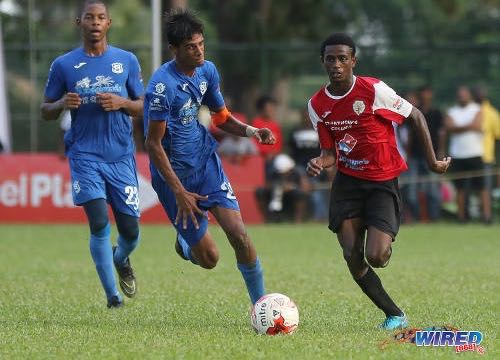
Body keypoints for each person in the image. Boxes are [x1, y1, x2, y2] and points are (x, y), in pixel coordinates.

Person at [306, 33, 451, 330]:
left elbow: (416, 116)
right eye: (330, 59)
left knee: (377, 256)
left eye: (342, 58)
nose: (336, 64)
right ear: (322, 61)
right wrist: (320, 161)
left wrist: (434, 161)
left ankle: (383, 235)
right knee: (351, 254)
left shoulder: (373, 90)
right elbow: (329, 152)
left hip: (381, 182)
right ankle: (394, 314)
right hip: (347, 183)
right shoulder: (317, 104)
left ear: (353, 61)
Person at [143, 8, 276, 305]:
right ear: (174, 49)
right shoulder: (162, 87)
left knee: (239, 235)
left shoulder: (207, 70)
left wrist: (253, 131)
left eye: (201, 43)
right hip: (175, 179)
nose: (199, 51)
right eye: (191, 47)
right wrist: (178, 192)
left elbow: (221, 118)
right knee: (210, 259)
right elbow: (153, 144)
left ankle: (261, 306)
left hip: (206, 165)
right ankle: (184, 244)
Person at [41, 0, 144, 308]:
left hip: (121, 156)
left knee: (130, 229)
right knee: (99, 222)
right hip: (84, 155)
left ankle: (121, 257)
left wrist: (123, 103)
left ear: (108, 24)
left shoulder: (126, 60)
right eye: (90, 17)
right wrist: (60, 104)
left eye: (101, 18)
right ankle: (113, 297)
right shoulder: (64, 65)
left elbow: (145, 105)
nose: (95, 22)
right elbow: (45, 110)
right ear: (79, 23)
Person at [444, 86, 490, 223]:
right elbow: (449, 128)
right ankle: (462, 217)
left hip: (475, 153)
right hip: (457, 154)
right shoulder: (452, 111)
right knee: (460, 188)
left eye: (464, 95)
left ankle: (486, 216)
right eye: (460, 95)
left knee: (482, 187)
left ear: (469, 96)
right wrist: (467, 126)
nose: (462, 97)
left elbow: (477, 125)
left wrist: (457, 127)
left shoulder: (477, 109)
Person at [406, 85, 446, 221]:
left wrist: (440, 151)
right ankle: (417, 218)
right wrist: (407, 153)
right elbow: (410, 134)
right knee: (411, 191)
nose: (425, 96)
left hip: (431, 155)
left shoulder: (436, 113)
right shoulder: (414, 112)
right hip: (415, 156)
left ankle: (434, 217)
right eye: (423, 93)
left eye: (427, 93)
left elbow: (441, 134)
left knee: (433, 190)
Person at [289, 108, 331, 221]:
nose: (306, 118)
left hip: (316, 165)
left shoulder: (319, 130)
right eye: (304, 115)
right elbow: (290, 152)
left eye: (308, 115)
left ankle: (319, 217)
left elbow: (326, 151)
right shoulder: (295, 132)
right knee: (309, 185)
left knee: (317, 190)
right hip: (299, 167)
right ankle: (303, 219)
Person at [255, 153, 311, 223]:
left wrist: (292, 187)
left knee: (301, 194)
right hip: (276, 195)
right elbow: (268, 185)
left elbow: (305, 188)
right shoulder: (274, 172)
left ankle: (298, 220)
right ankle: (268, 219)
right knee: (260, 192)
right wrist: (277, 187)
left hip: (293, 195)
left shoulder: (298, 172)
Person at [474, 86, 500, 222]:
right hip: (471, 155)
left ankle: (487, 216)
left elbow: (497, 137)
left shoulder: (492, 113)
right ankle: (475, 215)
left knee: (485, 188)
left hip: (486, 156)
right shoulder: (470, 111)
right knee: (472, 188)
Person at [251, 95, 283, 180]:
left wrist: (273, 154)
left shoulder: (276, 125)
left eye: (272, 108)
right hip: (259, 158)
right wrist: (265, 154)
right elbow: (254, 143)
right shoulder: (256, 123)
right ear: (262, 109)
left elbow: (279, 145)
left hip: (273, 158)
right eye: (268, 108)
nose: (271, 110)